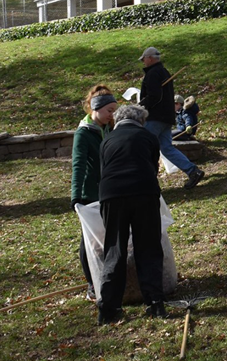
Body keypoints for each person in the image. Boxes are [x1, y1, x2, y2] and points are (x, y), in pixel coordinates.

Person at [97, 104, 166, 324]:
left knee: (114, 247)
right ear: (140, 121)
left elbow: (104, 168)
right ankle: (155, 304)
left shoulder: (107, 140)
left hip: (112, 195)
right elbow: (153, 167)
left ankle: (108, 308)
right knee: (148, 247)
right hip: (143, 192)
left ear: (117, 120)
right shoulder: (147, 136)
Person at [71, 85, 118, 300]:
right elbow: (78, 165)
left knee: (110, 235)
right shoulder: (83, 133)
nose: (112, 115)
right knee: (89, 239)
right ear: (95, 109)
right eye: (109, 110)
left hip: (109, 190)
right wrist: (76, 197)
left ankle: (110, 275)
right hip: (89, 193)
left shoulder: (109, 128)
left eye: (114, 110)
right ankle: (92, 282)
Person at [139, 47, 204, 189]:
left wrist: (141, 105)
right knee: (166, 148)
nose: (143, 62)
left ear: (149, 58)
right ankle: (193, 171)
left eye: (143, 59)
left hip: (155, 118)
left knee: (144, 148)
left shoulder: (152, 74)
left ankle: (147, 182)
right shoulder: (163, 71)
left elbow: (154, 97)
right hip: (166, 118)